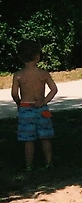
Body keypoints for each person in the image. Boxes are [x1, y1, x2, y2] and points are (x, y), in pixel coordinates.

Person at [11, 39, 57, 171]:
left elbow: (14, 93)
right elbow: (54, 90)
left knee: (28, 140)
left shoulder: (18, 76)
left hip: (25, 108)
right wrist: (43, 102)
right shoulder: (43, 74)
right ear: (37, 56)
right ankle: (49, 163)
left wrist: (19, 103)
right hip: (42, 108)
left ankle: (29, 165)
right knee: (45, 137)